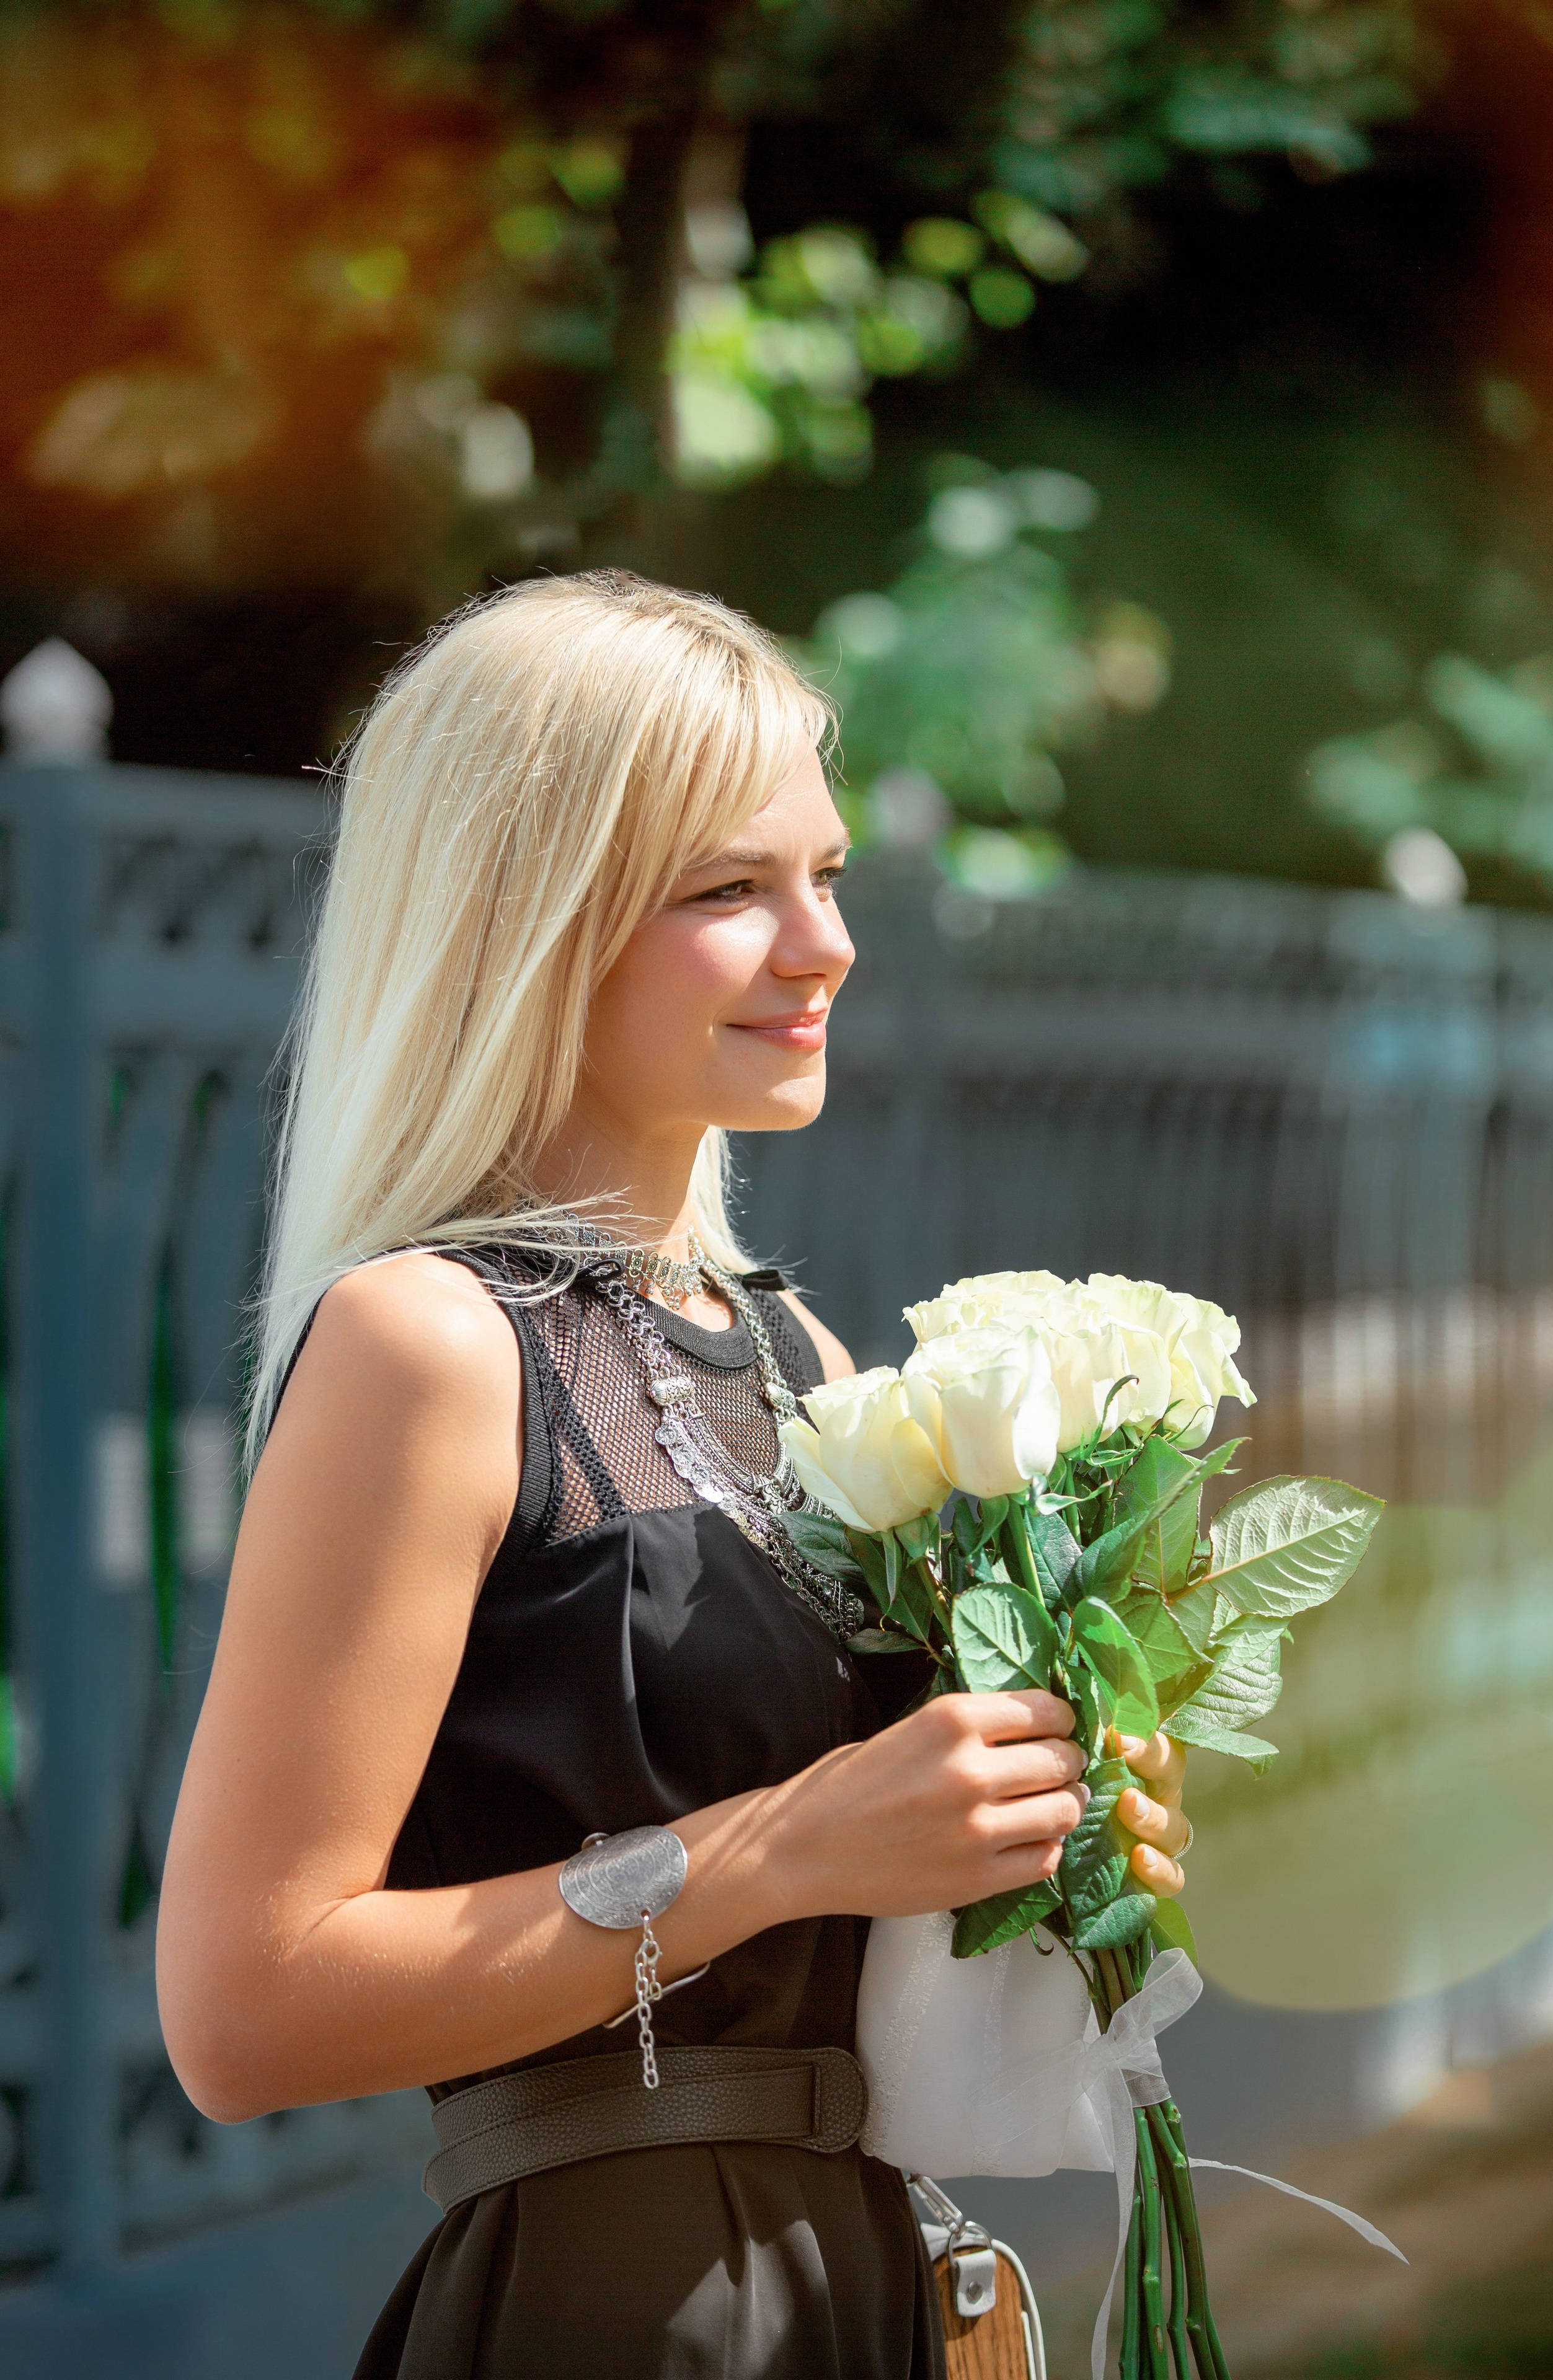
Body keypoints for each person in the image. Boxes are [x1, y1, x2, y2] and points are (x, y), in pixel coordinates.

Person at [156, 571, 1195, 2380]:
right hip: (621, 2305)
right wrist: (794, 1843)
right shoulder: (430, 1339)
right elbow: (245, 2008)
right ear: (519, 920)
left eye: (829, 873)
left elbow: (868, 1888)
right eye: (729, 889)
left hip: (864, 2274)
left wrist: (1055, 1824)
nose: (823, 944)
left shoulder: (798, 1357)